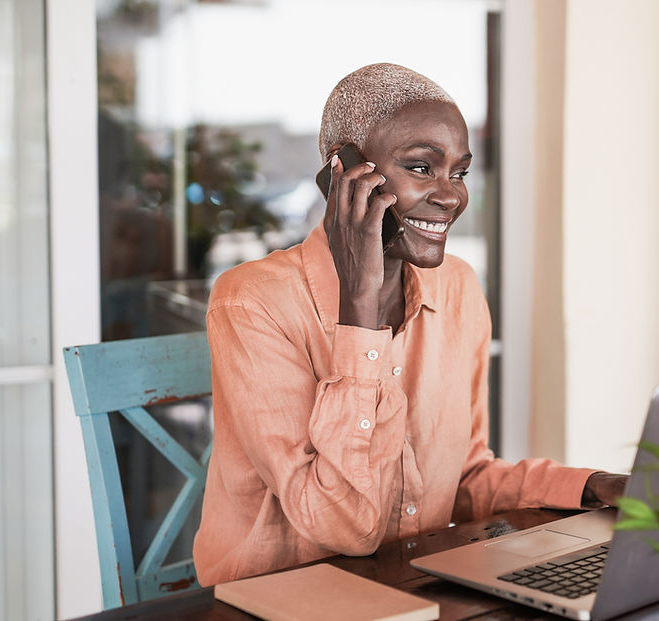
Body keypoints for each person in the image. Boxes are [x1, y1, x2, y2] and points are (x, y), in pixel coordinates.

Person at [193, 63, 626, 586]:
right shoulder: (252, 303)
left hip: (405, 580)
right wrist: (360, 305)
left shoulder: (458, 287)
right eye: (422, 167)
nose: (451, 196)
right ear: (344, 172)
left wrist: (592, 486)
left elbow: (462, 478)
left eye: (459, 172)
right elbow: (343, 526)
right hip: (278, 595)